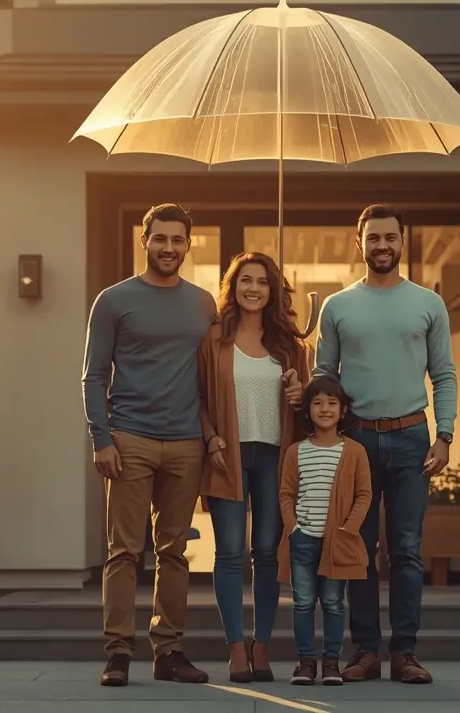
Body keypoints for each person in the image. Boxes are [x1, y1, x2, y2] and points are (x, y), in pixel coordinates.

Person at [313, 204, 457, 685]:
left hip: (413, 438)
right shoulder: (337, 306)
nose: (381, 246)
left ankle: (406, 654)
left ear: (402, 240)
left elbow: (444, 375)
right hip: (354, 440)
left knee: (407, 551)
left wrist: (445, 434)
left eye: (389, 238)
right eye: (373, 238)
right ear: (360, 243)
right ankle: (365, 652)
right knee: (355, 548)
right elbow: (323, 379)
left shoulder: (427, 303)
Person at [82, 203, 217, 687]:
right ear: (145, 241)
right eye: (160, 239)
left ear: (187, 244)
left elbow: (215, 376)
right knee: (123, 552)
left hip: (186, 443)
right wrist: (102, 438)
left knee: (175, 552)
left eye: (178, 240)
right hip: (130, 439)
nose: (169, 248)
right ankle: (118, 653)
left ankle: (170, 652)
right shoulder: (114, 301)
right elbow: (93, 375)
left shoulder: (203, 303)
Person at [197, 251, 307, 683]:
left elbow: (304, 407)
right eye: (246, 280)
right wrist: (210, 437)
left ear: (272, 290)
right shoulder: (214, 339)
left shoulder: (291, 347)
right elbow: (199, 398)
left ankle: (262, 646)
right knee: (229, 553)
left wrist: (299, 395)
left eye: (262, 281)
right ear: (233, 286)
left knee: (265, 552)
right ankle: (236, 649)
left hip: (274, 457)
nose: (254, 288)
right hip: (229, 454)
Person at [278, 375, 372, 686]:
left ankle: (331, 662)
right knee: (303, 601)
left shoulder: (355, 451)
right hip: (304, 539)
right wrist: (293, 528)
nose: (325, 409)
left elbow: (364, 494)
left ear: (343, 410)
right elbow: (286, 493)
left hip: (338, 540)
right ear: (307, 410)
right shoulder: (296, 452)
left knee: (333, 602)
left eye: (332, 403)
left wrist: (349, 528)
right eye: (317, 403)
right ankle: (306, 663)